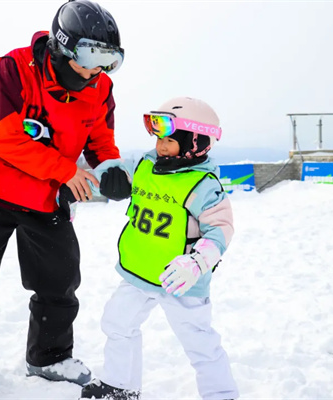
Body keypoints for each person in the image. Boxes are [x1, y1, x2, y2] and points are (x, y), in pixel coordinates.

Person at [0, 1, 125, 399]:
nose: (95, 70)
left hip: (47, 195)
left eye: (108, 60)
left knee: (60, 278)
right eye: (90, 57)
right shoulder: (14, 70)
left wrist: (110, 167)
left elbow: (99, 139)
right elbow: (5, 137)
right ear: (63, 46)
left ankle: (49, 356)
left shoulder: (99, 87)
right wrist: (68, 171)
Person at [79, 97, 240, 400]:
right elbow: (117, 172)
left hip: (180, 280)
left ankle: (221, 394)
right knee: (117, 323)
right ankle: (120, 385)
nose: (161, 146)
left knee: (199, 342)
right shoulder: (145, 163)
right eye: (158, 139)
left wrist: (196, 263)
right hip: (139, 271)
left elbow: (220, 230)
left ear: (197, 142)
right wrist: (102, 179)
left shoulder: (202, 185)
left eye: (169, 140)